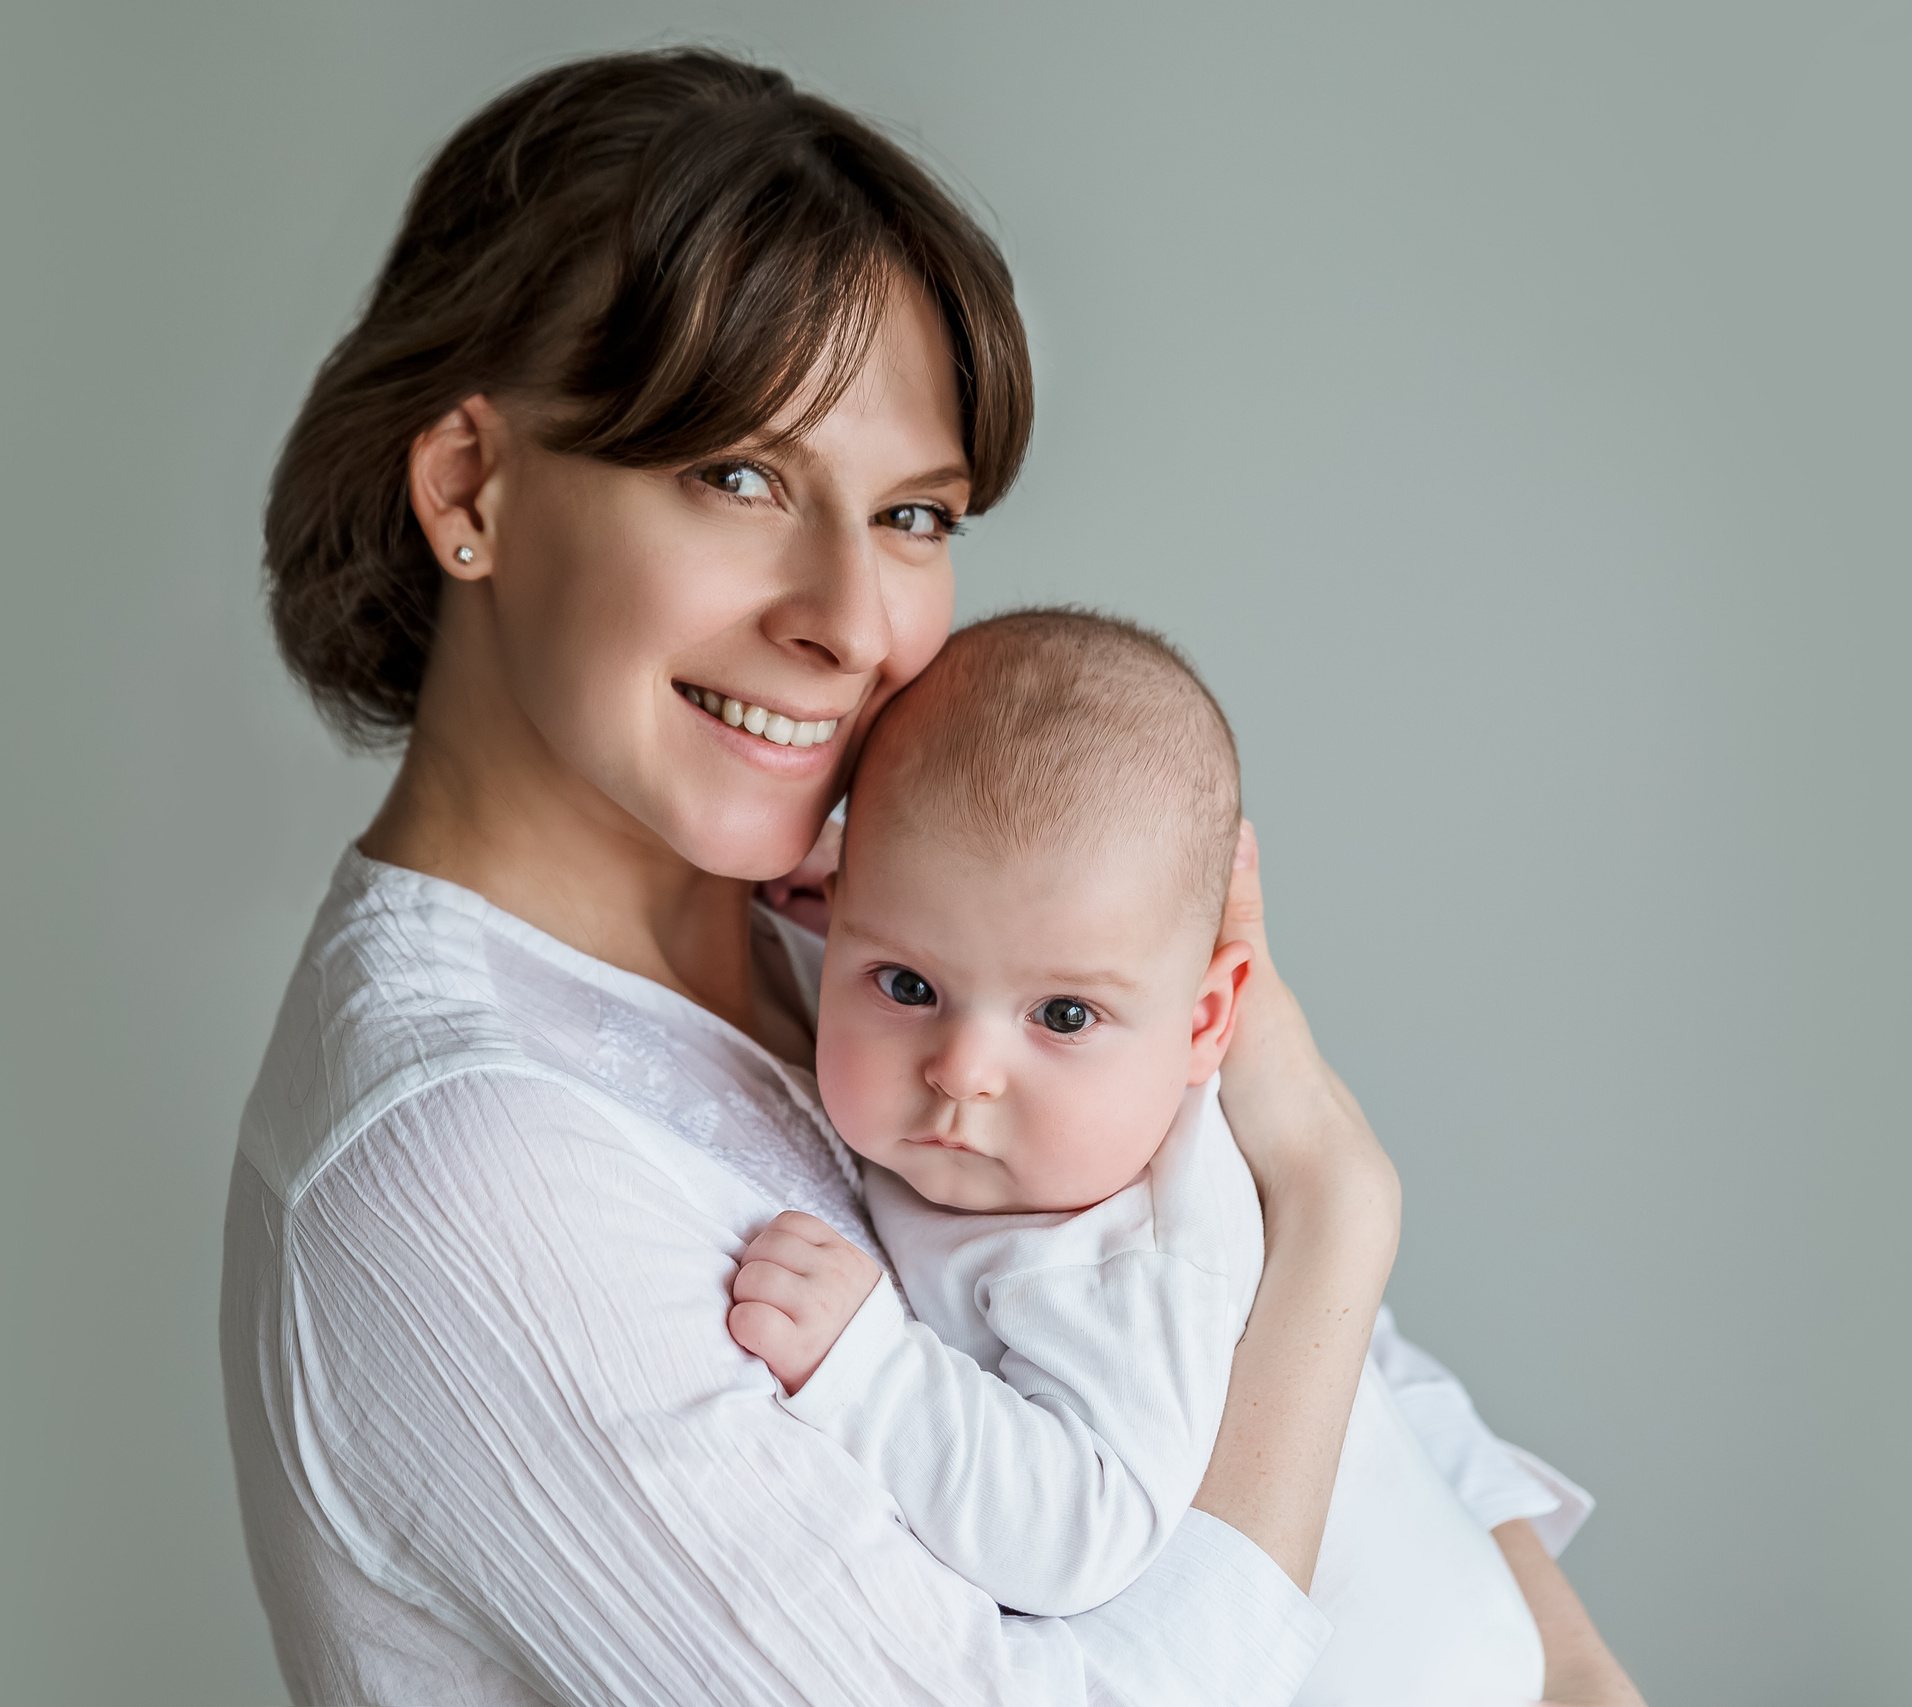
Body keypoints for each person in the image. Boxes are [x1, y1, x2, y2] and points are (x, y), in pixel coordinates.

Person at [222, 46, 1643, 1706]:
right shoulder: (463, 1171)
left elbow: (1299, 1373)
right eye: (737, 476)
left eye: (911, 513)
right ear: (472, 486)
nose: (849, 616)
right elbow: (1293, 1293)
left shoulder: (894, 925)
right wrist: (1340, 1205)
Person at [725, 610, 1561, 1704]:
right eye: (909, 985)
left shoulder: (1123, 1260)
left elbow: (1084, 1527)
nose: (962, 1070)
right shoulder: (1059, 1127)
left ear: (1205, 1025)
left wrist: (875, 1378)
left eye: (1062, 1016)